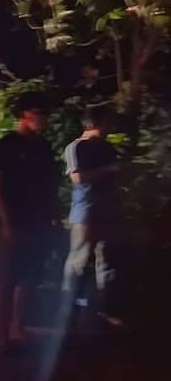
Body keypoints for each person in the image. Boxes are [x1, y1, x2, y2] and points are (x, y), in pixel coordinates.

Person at [0, 93, 61, 349]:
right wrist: (6, 221)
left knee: (30, 275)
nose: (45, 119)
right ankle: (1, 335)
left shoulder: (43, 147)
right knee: (8, 276)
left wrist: (53, 215)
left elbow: (50, 183)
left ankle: (17, 327)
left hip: (38, 219)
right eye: (40, 113)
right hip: (13, 219)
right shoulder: (8, 144)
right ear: (25, 115)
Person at [58, 105, 121, 327]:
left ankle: (103, 308)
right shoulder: (77, 146)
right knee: (79, 259)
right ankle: (68, 307)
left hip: (107, 210)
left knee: (106, 260)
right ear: (96, 122)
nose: (111, 125)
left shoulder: (107, 147)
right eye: (107, 120)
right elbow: (78, 178)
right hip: (84, 212)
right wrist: (108, 171)